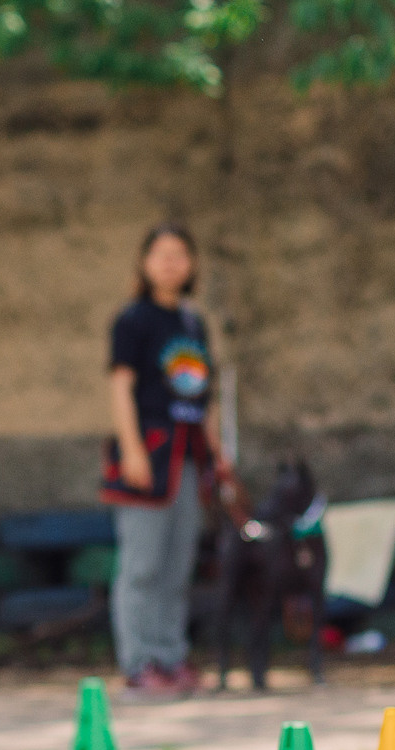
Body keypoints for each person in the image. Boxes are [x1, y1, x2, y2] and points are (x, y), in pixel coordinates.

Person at [100, 224, 228, 699]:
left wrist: (217, 454)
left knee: (178, 565)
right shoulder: (133, 320)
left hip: (188, 456)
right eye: (161, 254)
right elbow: (121, 387)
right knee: (143, 565)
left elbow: (203, 397)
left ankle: (172, 656)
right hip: (149, 454)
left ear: (192, 264)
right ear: (145, 262)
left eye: (180, 254)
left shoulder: (194, 322)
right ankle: (140, 661)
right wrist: (132, 448)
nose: (171, 263)